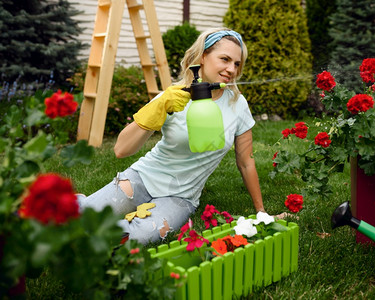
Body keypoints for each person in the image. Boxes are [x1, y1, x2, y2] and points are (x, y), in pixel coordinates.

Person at [77, 27, 266, 246]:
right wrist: (158, 107)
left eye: (237, 64)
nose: (231, 69)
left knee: (142, 235)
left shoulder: (237, 104)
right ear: (203, 57)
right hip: (143, 178)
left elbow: (246, 162)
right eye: (225, 59)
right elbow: (121, 150)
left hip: (181, 197)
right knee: (82, 216)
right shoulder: (173, 97)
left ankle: (90, 241)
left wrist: (261, 211)